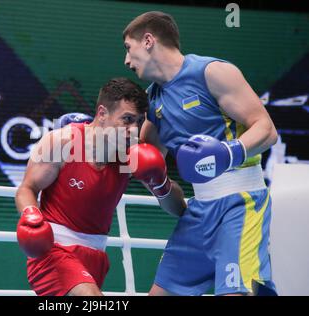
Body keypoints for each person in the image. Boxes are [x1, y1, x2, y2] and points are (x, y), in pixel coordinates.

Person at [122, 11, 278, 296]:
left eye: (128, 48)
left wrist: (227, 152)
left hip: (239, 204)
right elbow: (141, 159)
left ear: (148, 40)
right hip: (198, 211)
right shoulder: (153, 100)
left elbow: (267, 129)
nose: (126, 60)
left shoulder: (212, 72)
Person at [15, 77, 164, 296]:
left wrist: (162, 181)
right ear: (102, 113)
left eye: (138, 122)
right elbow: (27, 189)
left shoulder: (130, 156)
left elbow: (171, 201)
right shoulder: (61, 142)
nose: (133, 129)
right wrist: (31, 214)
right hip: (54, 250)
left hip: (95, 255)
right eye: (127, 119)